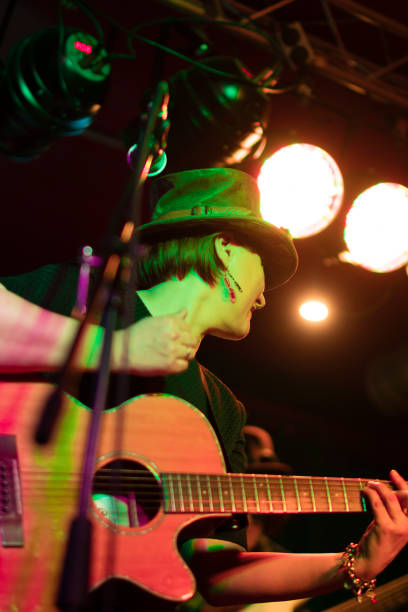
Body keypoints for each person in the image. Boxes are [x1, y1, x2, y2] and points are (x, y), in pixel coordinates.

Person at [1, 168, 408, 611]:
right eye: (263, 267)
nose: (265, 296)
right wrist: (113, 347)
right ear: (226, 248)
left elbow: (215, 571)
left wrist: (356, 565)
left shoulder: (221, 408)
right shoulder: (89, 298)